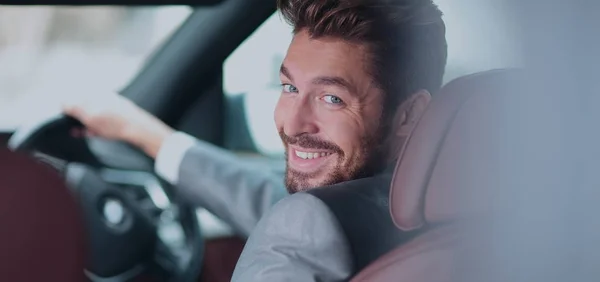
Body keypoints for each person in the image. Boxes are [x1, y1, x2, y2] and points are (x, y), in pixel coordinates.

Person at [64, 0, 446, 264]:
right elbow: (278, 207)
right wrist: (145, 133)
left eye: (332, 98)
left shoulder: (303, 241)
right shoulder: (435, 207)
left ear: (409, 115)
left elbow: (298, 226)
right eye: (290, 88)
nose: (292, 125)